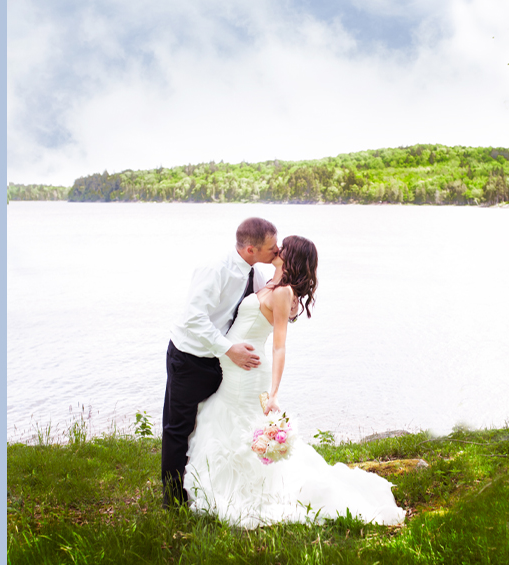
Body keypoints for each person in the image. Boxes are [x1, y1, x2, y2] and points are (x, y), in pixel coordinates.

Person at [183, 235, 406, 528]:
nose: (278, 249)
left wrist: (274, 393)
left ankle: (257, 488)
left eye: (283, 247)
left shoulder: (283, 292)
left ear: (293, 256)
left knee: (243, 429)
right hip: (234, 370)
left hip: (248, 375)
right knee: (224, 421)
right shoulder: (269, 283)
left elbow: (279, 346)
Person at [162, 217, 279, 508]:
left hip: (221, 361)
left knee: (209, 423)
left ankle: (205, 487)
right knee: (179, 428)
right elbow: (194, 318)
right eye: (272, 248)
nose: (277, 251)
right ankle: (173, 500)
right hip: (189, 359)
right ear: (251, 249)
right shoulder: (215, 269)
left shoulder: (257, 275)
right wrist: (229, 350)